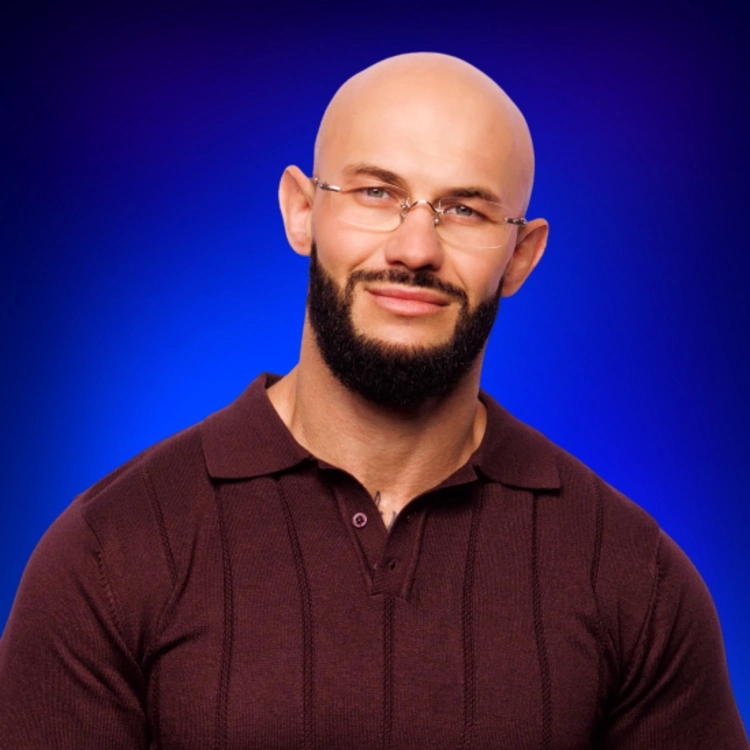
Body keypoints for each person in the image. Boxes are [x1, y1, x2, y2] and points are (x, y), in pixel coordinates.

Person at [0, 52, 746, 750]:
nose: (415, 249)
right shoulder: (107, 554)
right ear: (301, 211)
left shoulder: (634, 578)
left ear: (520, 255)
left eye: (465, 209)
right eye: (376, 193)